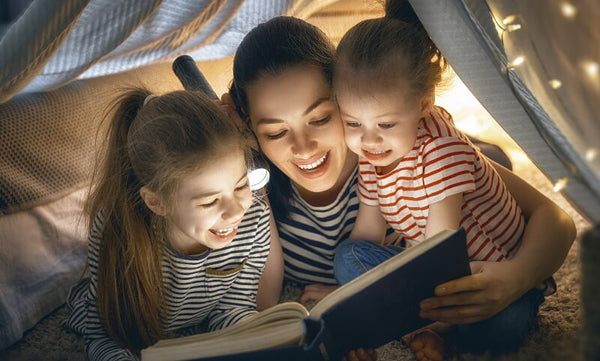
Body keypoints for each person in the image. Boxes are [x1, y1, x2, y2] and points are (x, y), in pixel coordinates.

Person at [226, 14, 575, 361]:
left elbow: (557, 219)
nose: (304, 148)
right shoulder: (254, 182)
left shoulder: (410, 150)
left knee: (503, 319)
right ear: (251, 130)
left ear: (346, 94)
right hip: (411, 280)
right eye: (275, 132)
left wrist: (515, 279)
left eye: (320, 118)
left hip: (472, 238)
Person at [329, 1, 575, 360]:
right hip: (436, 270)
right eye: (353, 123)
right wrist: (343, 299)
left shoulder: (442, 151)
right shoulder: (372, 154)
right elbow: (367, 233)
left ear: (423, 104)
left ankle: (426, 326)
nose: (368, 140)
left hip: (491, 270)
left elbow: (438, 253)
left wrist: (402, 311)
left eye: (385, 125)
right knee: (347, 257)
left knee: (501, 327)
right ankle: (428, 323)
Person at [63, 88, 277, 360]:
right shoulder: (118, 231)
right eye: (209, 202)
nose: (236, 211)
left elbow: (232, 307)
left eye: (241, 186)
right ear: (157, 203)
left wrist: (261, 339)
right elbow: (105, 333)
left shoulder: (254, 220)